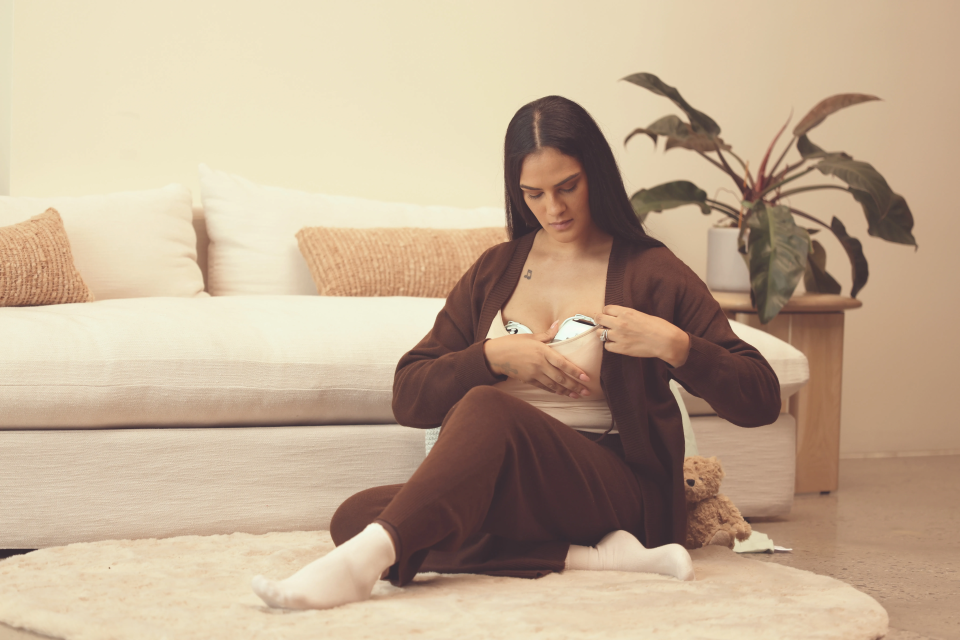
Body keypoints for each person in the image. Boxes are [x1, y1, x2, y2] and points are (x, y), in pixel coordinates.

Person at [252, 95, 781, 610]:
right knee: (355, 518)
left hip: (616, 486)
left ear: (596, 173)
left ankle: (358, 569)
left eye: (568, 186)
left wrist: (677, 346)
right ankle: (592, 559)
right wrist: (493, 357)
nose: (553, 208)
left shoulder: (650, 269)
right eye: (533, 193)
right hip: (519, 485)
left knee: (485, 412)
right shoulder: (495, 269)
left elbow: (760, 398)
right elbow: (408, 397)